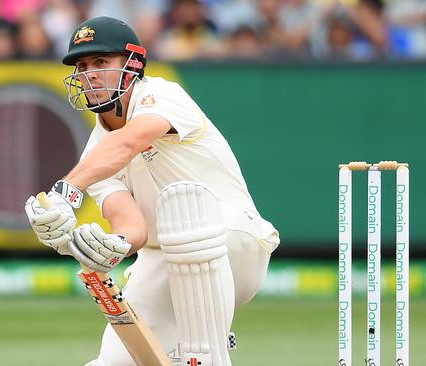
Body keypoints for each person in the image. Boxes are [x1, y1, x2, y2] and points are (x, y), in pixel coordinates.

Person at [24, 16, 280, 366]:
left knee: (187, 227)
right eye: (82, 66)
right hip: (163, 259)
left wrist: (66, 191)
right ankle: (195, 344)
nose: (89, 73)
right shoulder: (95, 156)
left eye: (101, 62)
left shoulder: (161, 94)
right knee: (113, 363)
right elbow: (134, 226)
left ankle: (206, 346)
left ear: (132, 67)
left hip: (234, 239)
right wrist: (117, 245)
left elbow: (130, 140)